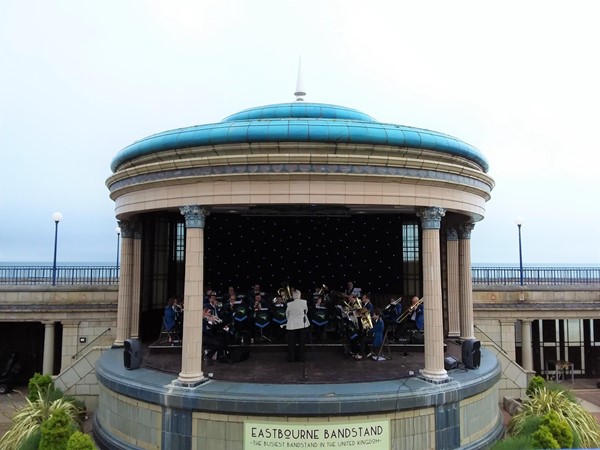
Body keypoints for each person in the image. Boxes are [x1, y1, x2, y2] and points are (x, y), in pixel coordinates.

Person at [285, 289, 310, 362]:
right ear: (300, 295)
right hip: (302, 324)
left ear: (293, 296)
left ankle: (291, 358)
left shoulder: (289, 304)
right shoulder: (304, 302)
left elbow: (287, 314)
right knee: (301, 342)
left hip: (291, 325)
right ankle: (301, 358)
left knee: (291, 343)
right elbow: (306, 311)